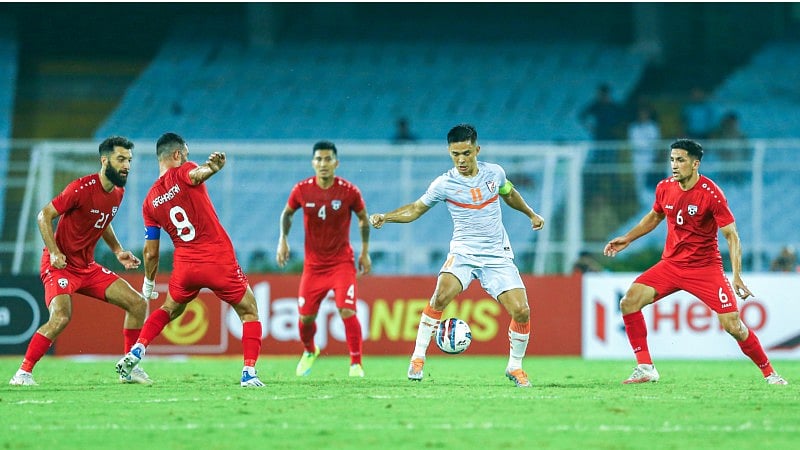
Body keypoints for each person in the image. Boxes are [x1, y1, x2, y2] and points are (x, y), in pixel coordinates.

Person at [370, 123, 545, 387]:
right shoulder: (444, 184)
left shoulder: (494, 173)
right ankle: (417, 358)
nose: (461, 160)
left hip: (496, 255)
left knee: (521, 311)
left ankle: (515, 367)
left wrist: (531, 213)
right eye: (455, 154)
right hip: (463, 252)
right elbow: (416, 209)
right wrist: (387, 217)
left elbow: (509, 193)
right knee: (440, 296)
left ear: (476, 149)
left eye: (466, 153)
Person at [604, 138, 788, 385]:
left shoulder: (711, 194)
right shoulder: (664, 187)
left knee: (733, 326)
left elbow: (732, 237)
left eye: (680, 160)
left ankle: (770, 374)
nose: (674, 165)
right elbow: (655, 216)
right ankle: (645, 367)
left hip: (705, 269)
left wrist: (736, 275)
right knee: (629, 302)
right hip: (670, 265)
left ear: (695, 163)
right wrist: (628, 238)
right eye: (671, 160)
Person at [115, 132, 265, 387]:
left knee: (169, 308)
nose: (188, 157)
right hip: (217, 259)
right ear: (177, 154)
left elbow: (150, 251)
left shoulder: (149, 201)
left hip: (186, 266)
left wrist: (149, 284)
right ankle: (249, 373)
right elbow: (196, 175)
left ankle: (138, 349)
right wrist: (212, 169)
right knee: (249, 311)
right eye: (186, 153)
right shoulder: (185, 170)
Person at [10, 136, 151, 386]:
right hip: (60, 266)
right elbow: (44, 215)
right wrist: (53, 251)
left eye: (129, 160)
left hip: (88, 268)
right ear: (104, 160)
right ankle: (23, 373)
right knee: (61, 317)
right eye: (121, 159)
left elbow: (103, 220)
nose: (127, 165)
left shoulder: (117, 192)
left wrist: (118, 250)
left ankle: (128, 368)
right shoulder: (80, 188)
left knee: (138, 303)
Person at [276, 140, 371, 377]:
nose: (323, 163)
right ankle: (310, 350)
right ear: (313, 163)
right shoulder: (301, 190)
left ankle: (356, 364)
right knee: (305, 318)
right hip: (314, 267)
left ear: (336, 163)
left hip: (341, 263)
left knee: (346, 310)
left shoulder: (349, 191)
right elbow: (287, 214)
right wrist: (283, 239)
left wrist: (365, 251)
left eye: (328, 159)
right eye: (318, 159)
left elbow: (362, 218)